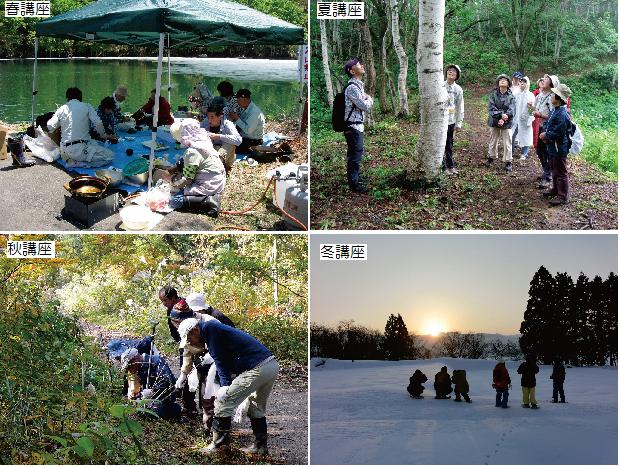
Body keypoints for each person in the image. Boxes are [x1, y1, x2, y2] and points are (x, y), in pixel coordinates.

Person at [177, 318, 279, 456]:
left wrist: (225, 386)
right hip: (270, 365)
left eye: (189, 338)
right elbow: (227, 358)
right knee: (255, 406)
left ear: (195, 330)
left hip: (258, 367)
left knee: (223, 402)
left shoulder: (209, 328)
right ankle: (260, 447)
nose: (190, 342)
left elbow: (220, 360)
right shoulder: (211, 330)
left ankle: (218, 447)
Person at [171, 295, 235, 436]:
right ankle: (209, 429)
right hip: (203, 363)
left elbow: (226, 345)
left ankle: (221, 433)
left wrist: (211, 355)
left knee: (215, 396)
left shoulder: (211, 323)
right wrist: (183, 375)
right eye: (174, 322)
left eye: (178, 321)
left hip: (220, 362)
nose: (176, 325)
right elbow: (187, 351)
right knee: (204, 396)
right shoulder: (186, 327)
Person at [167, 119, 226, 216]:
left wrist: (173, 182)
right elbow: (187, 162)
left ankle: (209, 202)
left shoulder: (192, 151)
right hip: (218, 181)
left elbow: (188, 180)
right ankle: (208, 197)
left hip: (210, 185)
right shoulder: (204, 141)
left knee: (174, 201)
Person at [47, 87, 114, 168]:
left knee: (95, 143)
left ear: (68, 98)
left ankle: (71, 160)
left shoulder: (61, 108)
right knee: (110, 156)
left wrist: (61, 123)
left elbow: (50, 126)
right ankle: (81, 164)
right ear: (80, 98)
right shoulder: (86, 106)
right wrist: (103, 135)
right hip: (78, 151)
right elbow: (98, 123)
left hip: (64, 150)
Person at [158, 286, 197, 414]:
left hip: (195, 343)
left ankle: (189, 405)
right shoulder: (170, 310)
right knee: (183, 372)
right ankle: (186, 401)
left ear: (174, 297)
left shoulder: (185, 307)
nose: (164, 304)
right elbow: (173, 331)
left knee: (190, 373)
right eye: (162, 301)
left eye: (165, 301)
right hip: (183, 344)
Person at [120, 347, 181, 420]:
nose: (128, 369)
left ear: (135, 359)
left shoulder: (156, 361)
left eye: (129, 366)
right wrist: (138, 396)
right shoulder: (140, 368)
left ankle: (175, 410)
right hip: (151, 401)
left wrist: (152, 391)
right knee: (140, 412)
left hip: (165, 399)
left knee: (152, 414)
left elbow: (167, 380)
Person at [343, 58, 374, 193]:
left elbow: (361, 103)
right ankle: (354, 184)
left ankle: (355, 178)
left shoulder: (358, 86)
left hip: (356, 126)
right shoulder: (352, 88)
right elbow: (363, 106)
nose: (362, 66)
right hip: (352, 127)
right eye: (358, 65)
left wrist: (365, 97)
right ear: (352, 71)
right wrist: (369, 99)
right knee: (355, 155)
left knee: (356, 153)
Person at [539, 83, 573, 206]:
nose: (551, 95)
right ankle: (555, 189)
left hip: (559, 148)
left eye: (553, 94)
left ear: (558, 98)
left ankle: (563, 196)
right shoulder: (555, 110)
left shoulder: (562, 114)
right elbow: (549, 124)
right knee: (554, 168)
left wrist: (546, 136)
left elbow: (559, 132)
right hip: (553, 146)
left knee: (561, 171)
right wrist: (545, 133)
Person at [201, 98, 242, 173]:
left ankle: (217, 165)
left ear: (220, 116)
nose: (209, 120)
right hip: (211, 151)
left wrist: (218, 136)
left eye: (212, 117)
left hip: (225, 155)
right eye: (208, 117)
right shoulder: (205, 122)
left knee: (230, 143)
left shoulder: (228, 124)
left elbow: (239, 140)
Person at [533, 74, 559, 189]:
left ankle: (549, 177)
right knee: (539, 151)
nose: (543, 80)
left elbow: (554, 116)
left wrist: (541, 115)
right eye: (543, 79)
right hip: (538, 126)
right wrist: (532, 109)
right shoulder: (539, 96)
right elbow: (535, 109)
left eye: (547, 79)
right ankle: (546, 171)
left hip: (548, 128)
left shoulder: (553, 97)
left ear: (552, 84)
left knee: (547, 152)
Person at [486, 74, 515, 171]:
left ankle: (508, 161)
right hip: (494, 120)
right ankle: (491, 157)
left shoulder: (511, 96)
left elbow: (512, 110)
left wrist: (504, 118)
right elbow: (491, 108)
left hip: (507, 122)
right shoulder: (493, 94)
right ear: (498, 83)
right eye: (500, 80)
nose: (502, 81)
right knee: (493, 140)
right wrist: (500, 116)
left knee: (508, 142)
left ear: (508, 83)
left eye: (504, 80)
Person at [228, 89, 265, 153]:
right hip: (244, 138)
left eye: (238, 100)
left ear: (245, 99)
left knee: (230, 147)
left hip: (253, 141)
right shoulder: (244, 108)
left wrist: (237, 118)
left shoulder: (255, 113)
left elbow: (248, 131)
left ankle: (253, 150)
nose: (237, 103)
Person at [443, 64, 464, 175]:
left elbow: (460, 106)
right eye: (449, 71)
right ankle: (443, 167)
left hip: (451, 121)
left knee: (449, 144)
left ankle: (451, 165)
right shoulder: (440, 86)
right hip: (440, 120)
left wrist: (459, 122)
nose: (451, 72)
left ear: (457, 75)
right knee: (440, 144)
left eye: (454, 72)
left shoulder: (458, 89)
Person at [513, 76, 535, 160]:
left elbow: (533, 109)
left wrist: (531, 107)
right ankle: (511, 152)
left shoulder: (530, 95)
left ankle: (524, 153)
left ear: (527, 84)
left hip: (525, 119)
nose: (522, 83)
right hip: (515, 119)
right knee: (512, 135)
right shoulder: (516, 94)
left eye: (524, 82)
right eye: (521, 81)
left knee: (526, 136)